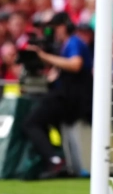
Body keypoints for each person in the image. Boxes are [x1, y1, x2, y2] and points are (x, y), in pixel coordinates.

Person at [23, 12, 93, 179]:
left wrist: (43, 56)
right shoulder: (66, 45)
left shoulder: (73, 42)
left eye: (55, 28)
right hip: (71, 97)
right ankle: (62, 160)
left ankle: (54, 160)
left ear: (63, 26)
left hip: (72, 99)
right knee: (46, 120)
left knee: (31, 123)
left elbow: (76, 65)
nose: (53, 32)